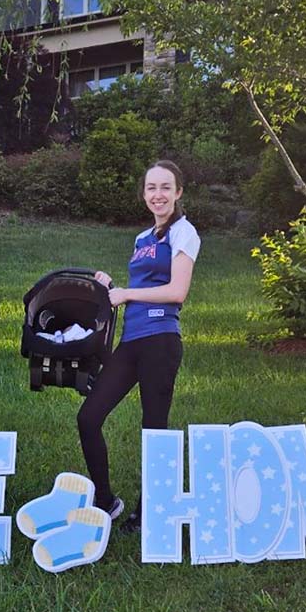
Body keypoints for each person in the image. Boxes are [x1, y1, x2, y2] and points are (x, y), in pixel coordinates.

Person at [80, 159, 200, 532]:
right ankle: (105, 501)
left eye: (165, 187)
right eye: (151, 187)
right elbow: (141, 288)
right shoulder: (142, 238)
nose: (158, 194)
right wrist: (113, 287)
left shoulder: (184, 232)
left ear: (178, 192)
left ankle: (150, 512)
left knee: (154, 430)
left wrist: (127, 293)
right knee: (88, 418)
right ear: (144, 193)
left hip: (160, 342)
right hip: (132, 341)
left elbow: (176, 292)